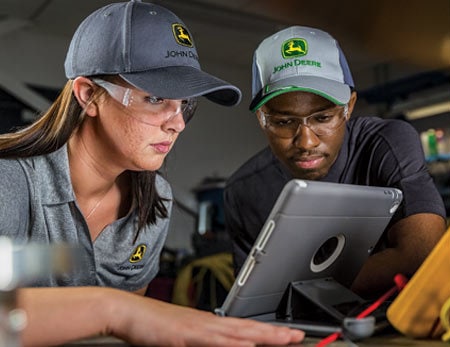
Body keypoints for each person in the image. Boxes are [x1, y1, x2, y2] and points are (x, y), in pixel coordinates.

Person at [0, 1, 303, 345]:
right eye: (156, 98)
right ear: (88, 95)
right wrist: (112, 309)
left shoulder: (155, 200)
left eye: (185, 105)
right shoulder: (9, 183)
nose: (177, 124)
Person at [224, 26, 447, 296]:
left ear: (348, 107)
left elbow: (422, 254)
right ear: (262, 118)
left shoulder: (385, 143)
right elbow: (248, 300)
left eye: (322, 118)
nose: (306, 142)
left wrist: (296, 289)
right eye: (284, 122)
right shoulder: (244, 192)